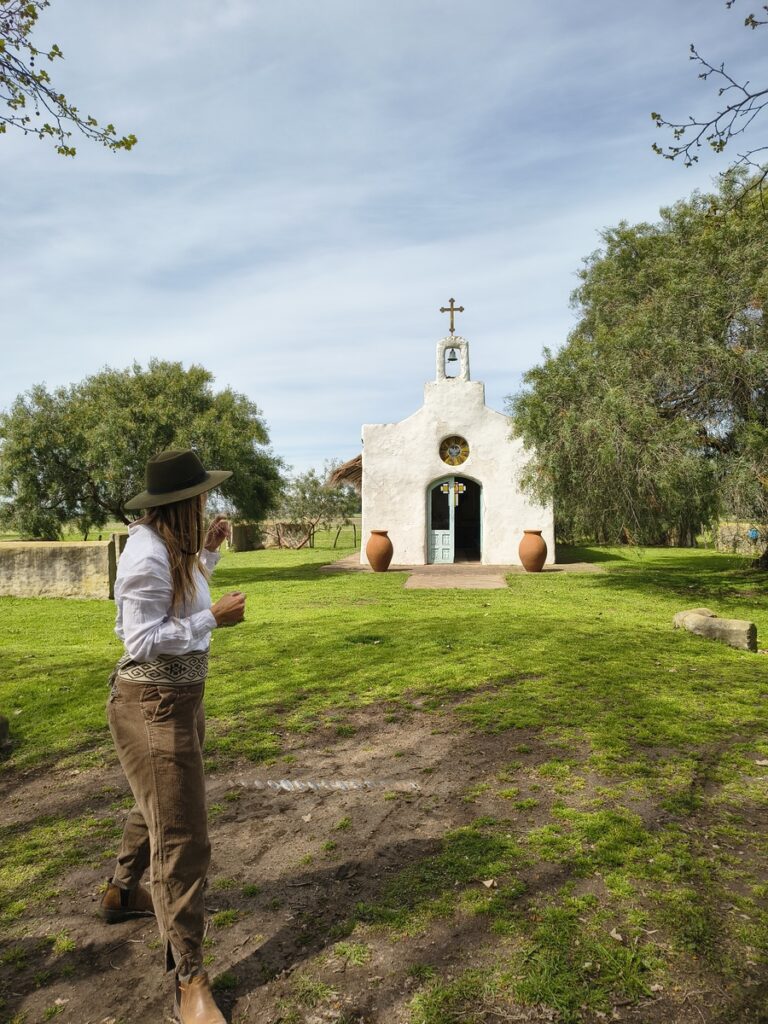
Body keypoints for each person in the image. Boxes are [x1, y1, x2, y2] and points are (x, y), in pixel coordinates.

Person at [99, 449, 246, 1024]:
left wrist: (207, 551)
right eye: (202, 497)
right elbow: (141, 639)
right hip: (152, 704)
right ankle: (189, 980)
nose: (208, 502)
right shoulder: (146, 554)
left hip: (179, 699)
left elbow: (179, 595)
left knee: (158, 804)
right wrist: (215, 620)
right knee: (183, 837)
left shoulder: (172, 549)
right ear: (184, 503)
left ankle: (120, 892)